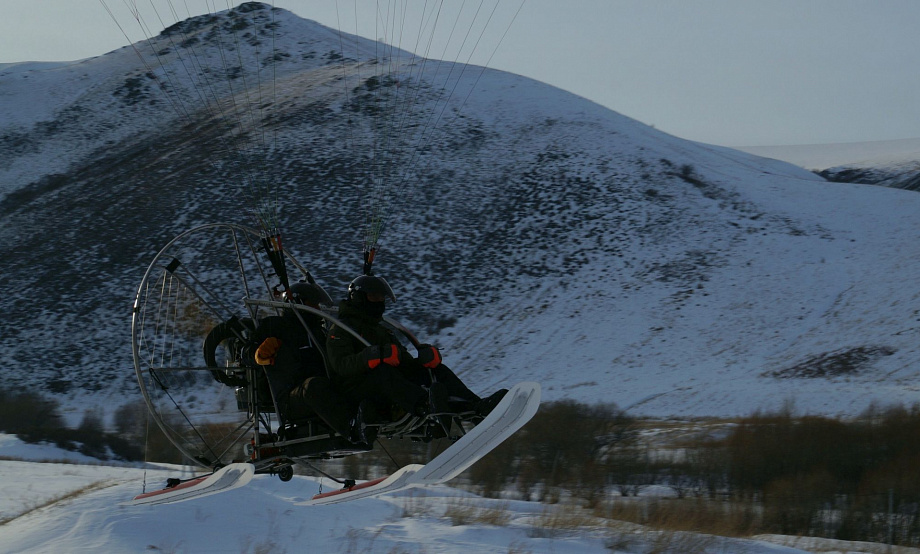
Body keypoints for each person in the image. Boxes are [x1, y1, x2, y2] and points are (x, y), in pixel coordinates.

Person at [325, 274, 507, 430]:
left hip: (388, 385)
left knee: (435, 371)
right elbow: (341, 365)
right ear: (359, 298)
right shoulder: (341, 329)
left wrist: (423, 361)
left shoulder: (381, 330)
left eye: (382, 298)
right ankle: (426, 405)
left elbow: (402, 362)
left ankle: (474, 407)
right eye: (374, 297)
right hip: (355, 390)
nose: (380, 302)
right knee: (382, 371)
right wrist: (374, 355)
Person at [250, 279, 368, 446]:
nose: (318, 309)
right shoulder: (276, 326)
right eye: (313, 304)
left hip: (320, 389)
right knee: (314, 386)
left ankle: (373, 417)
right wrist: (259, 352)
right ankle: (352, 429)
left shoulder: (318, 332)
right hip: (290, 397)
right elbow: (248, 352)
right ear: (299, 303)